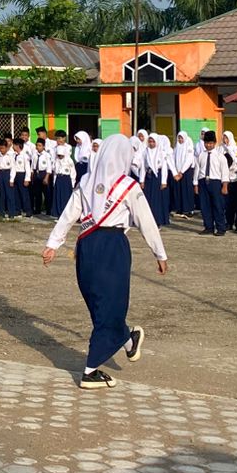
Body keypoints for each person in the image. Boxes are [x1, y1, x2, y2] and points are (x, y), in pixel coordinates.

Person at [42, 134, 169, 389]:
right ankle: (90, 370)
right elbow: (146, 220)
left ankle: (128, 340)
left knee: (102, 304)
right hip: (112, 248)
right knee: (109, 304)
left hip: (86, 247)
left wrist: (53, 244)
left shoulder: (86, 181)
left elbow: (69, 214)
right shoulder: (128, 185)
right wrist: (160, 253)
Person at [194, 129, 230, 235]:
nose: (208, 145)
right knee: (205, 206)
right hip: (203, 181)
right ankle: (208, 227)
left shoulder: (220, 156)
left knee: (218, 206)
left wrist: (225, 186)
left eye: (210, 143)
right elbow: (197, 170)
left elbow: (225, 172)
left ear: (214, 143)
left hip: (215, 182)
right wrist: (195, 184)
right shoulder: (201, 155)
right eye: (206, 143)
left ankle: (220, 228)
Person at [141, 133, 171, 230]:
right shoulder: (145, 152)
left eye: (153, 141)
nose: (151, 143)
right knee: (148, 199)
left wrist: (163, 181)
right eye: (150, 141)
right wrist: (142, 180)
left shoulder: (161, 152)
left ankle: (157, 221)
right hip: (149, 178)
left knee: (156, 201)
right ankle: (148, 222)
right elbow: (143, 167)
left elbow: (164, 168)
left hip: (157, 177)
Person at [170, 131, 195, 217]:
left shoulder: (188, 147)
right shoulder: (177, 147)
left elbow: (189, 160)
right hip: (177, 172)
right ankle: (179, 208)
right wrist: (175, 172)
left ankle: (188, 209)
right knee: (178, 190)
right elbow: (173, 158)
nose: (180, 140)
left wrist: (182, 171)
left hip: (186, 171)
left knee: (186, 190)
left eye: (181, 138)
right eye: (179, 138)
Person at [51, 139, 77, 220]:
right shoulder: (56, 161)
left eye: (61, 155)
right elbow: (55, 172)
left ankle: (66, 215)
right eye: (59, 155)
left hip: (66, 180)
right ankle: (59, 215)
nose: (60, 157)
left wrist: (72, 183)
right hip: (59, 179)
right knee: (58, 197)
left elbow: (73, 172)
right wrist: (54, 182)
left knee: (65, 198)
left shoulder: (69, 161)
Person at [0, 135, 15, 221]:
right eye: (0, 148)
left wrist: (11, 179)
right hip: (0, 174)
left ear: (7, 148)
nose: (1, 150)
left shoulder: (10, 156)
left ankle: (11, 213)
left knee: (9, 195)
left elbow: (13, 168)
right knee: (1, 195)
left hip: (7, 174)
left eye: (3, 148)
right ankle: (2, 212)